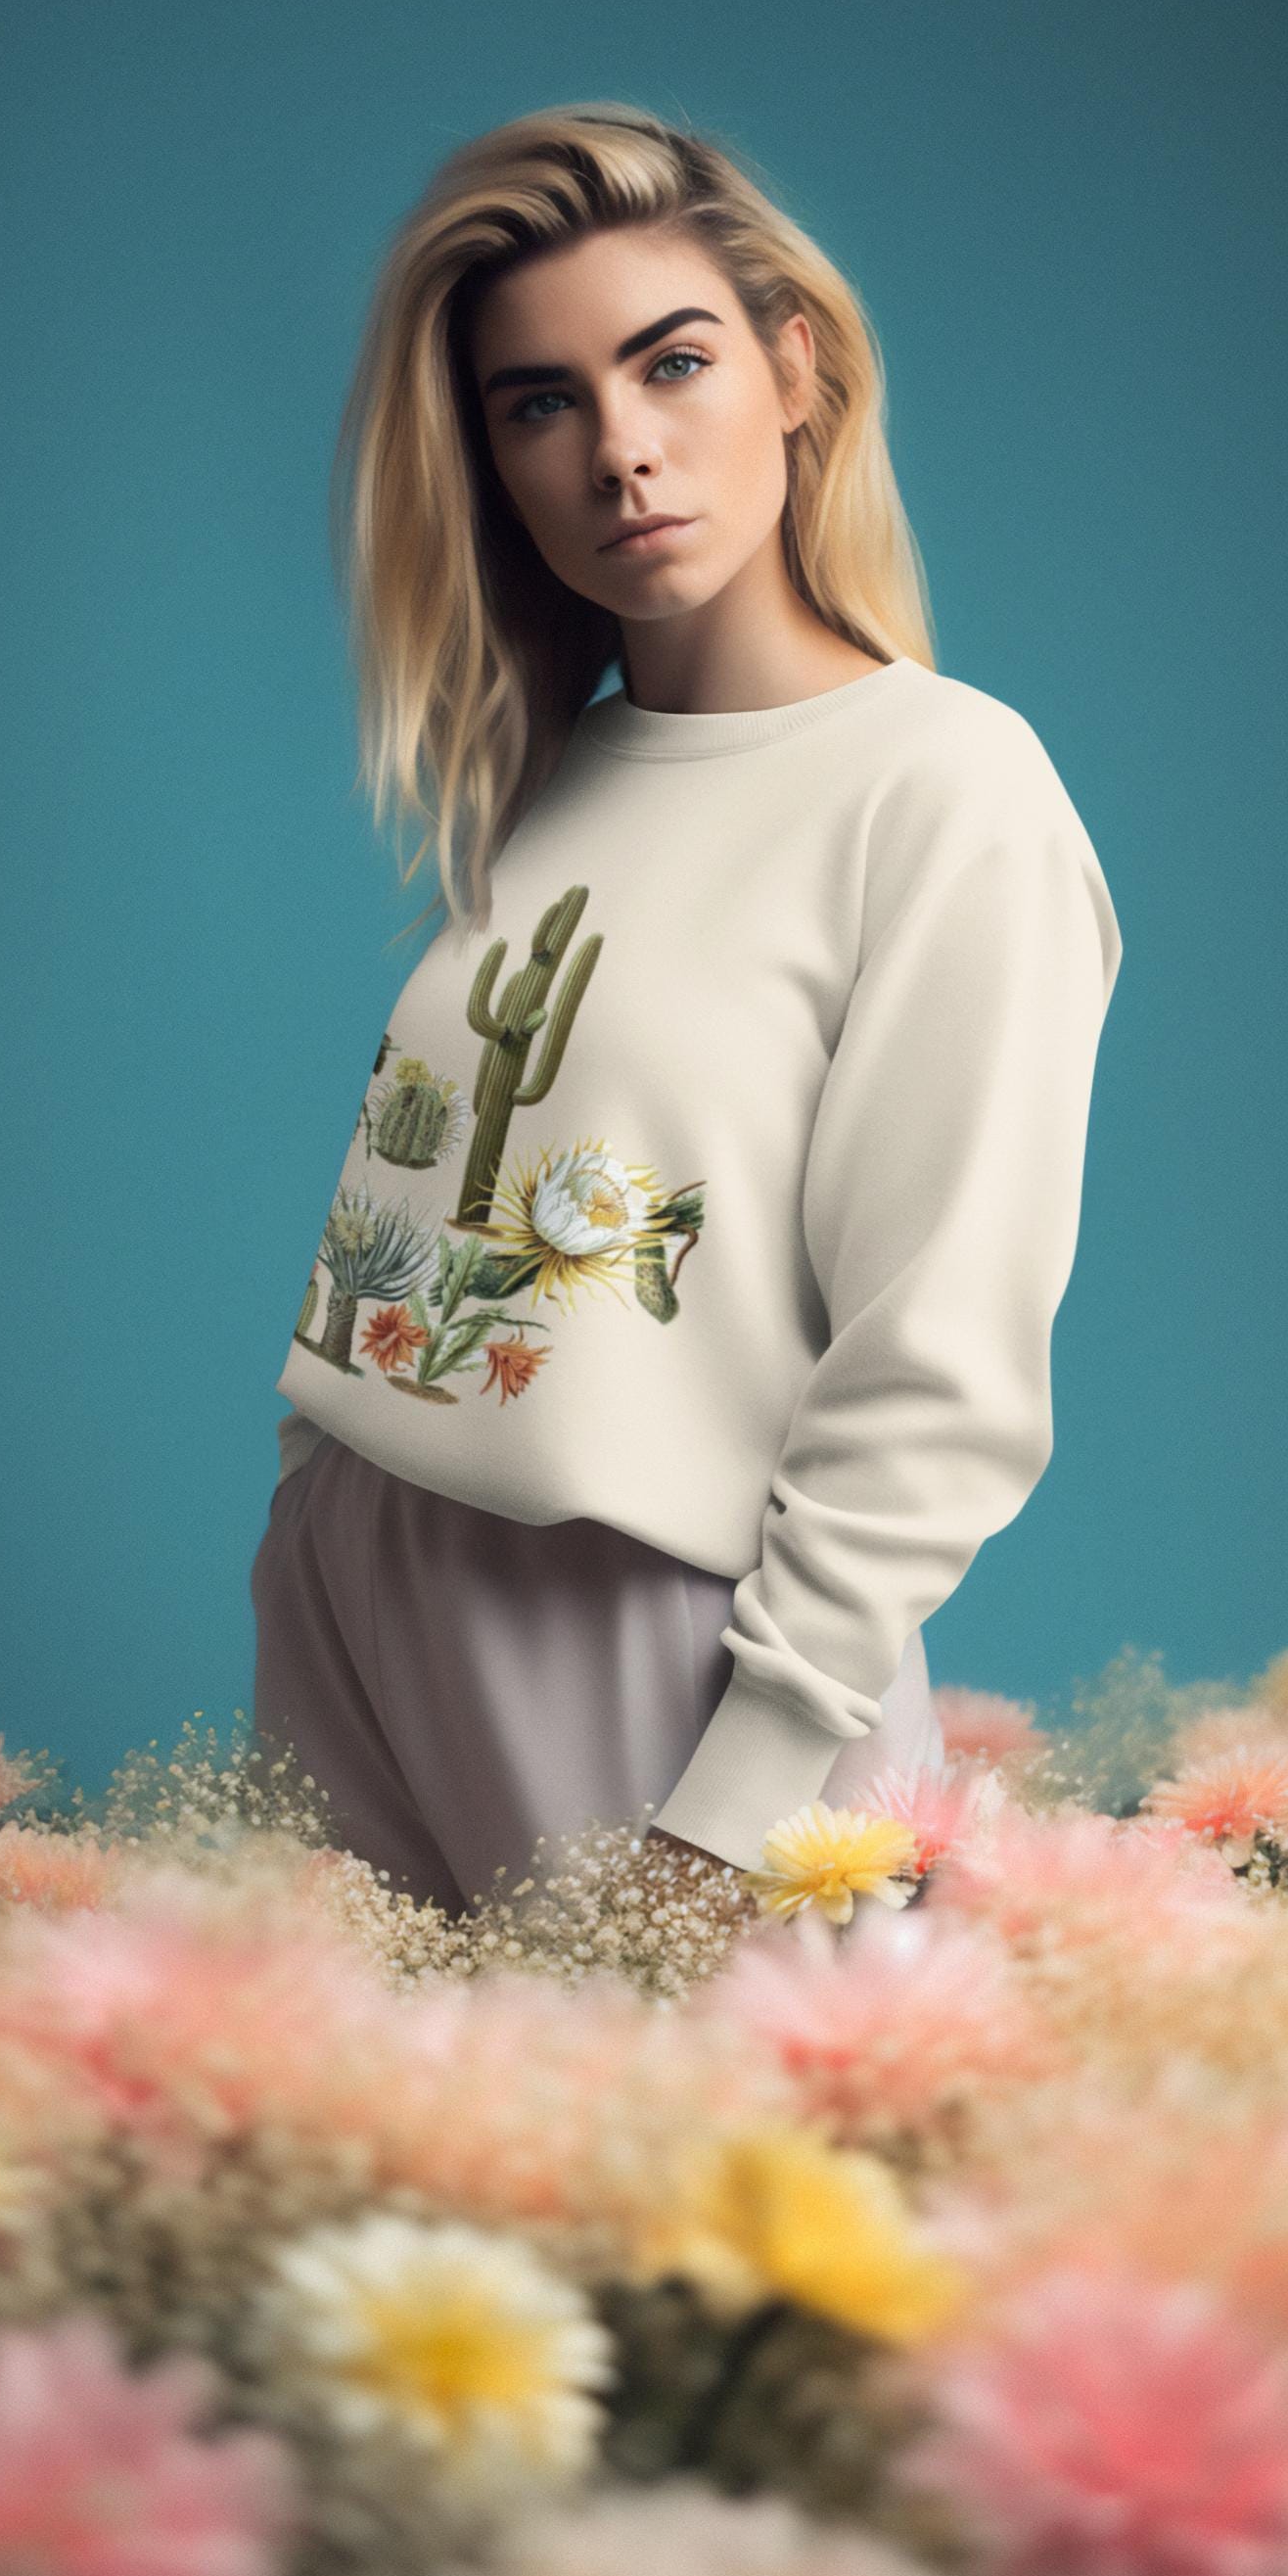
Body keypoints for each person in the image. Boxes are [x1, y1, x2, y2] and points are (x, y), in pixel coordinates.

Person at [249, 100, 1123, 1919]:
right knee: (404, 2196)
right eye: (541, 402)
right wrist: (311, 1579)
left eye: (674, 363)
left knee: (733, 2191)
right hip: (368, 1631)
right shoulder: (558, 780)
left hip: (671, 1675)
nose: (621, 452)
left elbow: (940, 1352)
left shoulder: (943, 787)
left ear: (794, 369)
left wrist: (742, 1796)